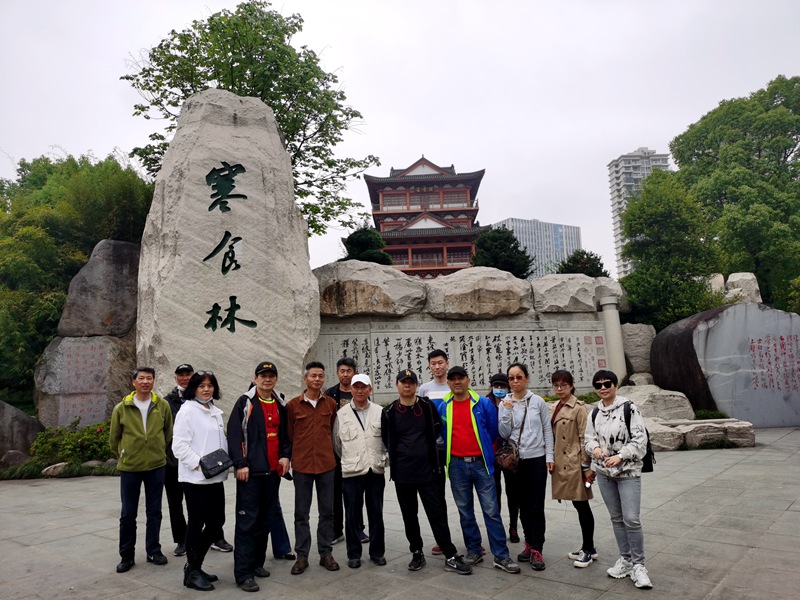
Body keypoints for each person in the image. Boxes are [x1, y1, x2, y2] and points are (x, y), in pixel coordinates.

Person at [381, 369, 471, 575]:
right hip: (403, 474)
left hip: (429, 471)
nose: (407, 385)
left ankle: (450, 554)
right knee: (409, 515)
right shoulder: (389, 412)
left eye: (411, 382)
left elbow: (437, 430)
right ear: (397, 385)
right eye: (403, 382)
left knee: (437, 514)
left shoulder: (427, 406)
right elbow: (387, 439)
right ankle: (417, 552)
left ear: (416, 385)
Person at [439, 366, 520, 574]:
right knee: (465, 510)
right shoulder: (444, 406)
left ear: (468, 380)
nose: (457, 382)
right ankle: (474, 549)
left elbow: (493, 432)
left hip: (481, 464)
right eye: (453, 379)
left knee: (491, 510)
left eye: (461, 378)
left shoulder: (483, 404)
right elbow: (442, 433)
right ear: (448, 382)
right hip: (456, 465)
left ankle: (501, 555)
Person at [585, 369, 653, 590]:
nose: (603, 388)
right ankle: (626, 559)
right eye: (598, 385)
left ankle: (639, 565)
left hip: (628, 472)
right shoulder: (594, 412)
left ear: (615, 385)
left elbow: (640, 440)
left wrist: (621, 456)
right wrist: (595, 449)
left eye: (607, 384)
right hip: (604, 473)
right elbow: (588, 439)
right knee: (616, 518)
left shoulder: (629, 408)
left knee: (631, 519)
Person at [227, 361, 292, 592]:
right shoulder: (245, 403)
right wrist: (240, 464)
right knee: (247, 523)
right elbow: (234, 435)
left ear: (276, 379)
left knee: (265, 520)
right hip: (250, 474)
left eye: (271, 375)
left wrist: (285, 456)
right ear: (255, 378)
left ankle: (256, 563)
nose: (267, 379)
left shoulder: (280, 403)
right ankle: (243, 573)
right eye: (263, 375)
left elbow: (286, 436)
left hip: (272, 473)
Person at [165, 364, 233, 558]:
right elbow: (179, 446)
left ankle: (196, 560)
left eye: (210, 385)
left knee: (217, 521)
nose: (206, 389)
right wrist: (199, 464)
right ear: (193, 388)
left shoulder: (213, 410)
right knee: (196, 522)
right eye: (201, 386)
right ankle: (193, 566)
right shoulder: (187, 411)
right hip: (196, 479)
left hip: (215, 476)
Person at [109, 367, 173, 573]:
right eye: (141, 378)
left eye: (149, 378)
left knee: (154, 511)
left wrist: (157, 451)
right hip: (130, 467)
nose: (146, 382)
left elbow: (168, 433)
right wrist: (125, 453)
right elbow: (114, 438)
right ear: (134, 382)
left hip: (156, 466)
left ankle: (153, 550)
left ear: (153, 381)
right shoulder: (122, 407)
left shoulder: (162, 405)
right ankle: (126, 555)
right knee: (128, 513)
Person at [498, 362, 554, 571]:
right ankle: (528, 543)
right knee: (521, 504)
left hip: (536, 459)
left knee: (535, 505)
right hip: (514, 462)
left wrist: (550, 456)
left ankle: (537, 548)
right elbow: (503, 433)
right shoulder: (504, 403)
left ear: (526, 378)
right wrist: (506, 411)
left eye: (519, 377)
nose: (515, 381)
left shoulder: (537, 401)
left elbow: (547, 430)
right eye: (511, 378)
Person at [286, 361, 340, 575]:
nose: (317, 379)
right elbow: (289, 435)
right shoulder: (293, 405)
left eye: (320, 376)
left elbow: (333, 430)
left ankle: (326, 553)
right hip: (302, 465)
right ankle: (302, 556)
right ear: (305, 379)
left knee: (327, 512)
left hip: (327, 464)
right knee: (302, 513)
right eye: (313, 376)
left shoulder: (331, 404)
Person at [332, 373, 388, 568]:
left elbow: (387, 440)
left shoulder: (380, 412)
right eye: (356, 387)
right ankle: (354, 554)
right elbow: (337, 443)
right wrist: (352, 458)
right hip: (352, 472)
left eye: (364, 387)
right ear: (351, 390)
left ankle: (377, 552)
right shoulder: (342, 414)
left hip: (375, 470)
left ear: (370, 389)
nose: (360, 390)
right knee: (352, 515)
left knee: (376, 513)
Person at [550, 369, 597, 568]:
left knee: (582, 505)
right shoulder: (556, 406)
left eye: (564, 385)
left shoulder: (579, 408)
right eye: (556, 385)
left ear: (571, 386)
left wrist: (586, 467)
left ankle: (588, 549)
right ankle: (589, 547)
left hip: (576, 464)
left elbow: (584, 438)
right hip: (563, 464)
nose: (560, 388)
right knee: (579, 505)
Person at [324, 357, 367, 545]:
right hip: (334, 451)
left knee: (355, 494)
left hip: (355, 451)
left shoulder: (360, 393)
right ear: (337, 373)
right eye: (342, 371)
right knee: (334, 493)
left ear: (355, 373)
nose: (345, 374)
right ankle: (336, 530)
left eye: (349, 371)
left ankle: (358, 529)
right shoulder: (329, 394)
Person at [417, 349, 451, 556]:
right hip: (434, 450)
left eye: (440, 363)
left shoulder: (454, 385)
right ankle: (443, 539)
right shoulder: (424, 389)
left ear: (447, 363)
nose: (437, 367)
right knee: (437, 497)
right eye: (433, 363)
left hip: (453, 447)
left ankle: (472, 539)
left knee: (463, 495)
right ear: (429, 366)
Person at [487, 373, 520, 543]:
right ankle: (497, 527)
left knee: (513, 492)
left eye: (502, 386)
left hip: (509, 455)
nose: (499, 389)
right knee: (494, 493)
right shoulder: (486, 403)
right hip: (491, 454)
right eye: (496, 386)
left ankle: (513, 527)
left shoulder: (514, 401)